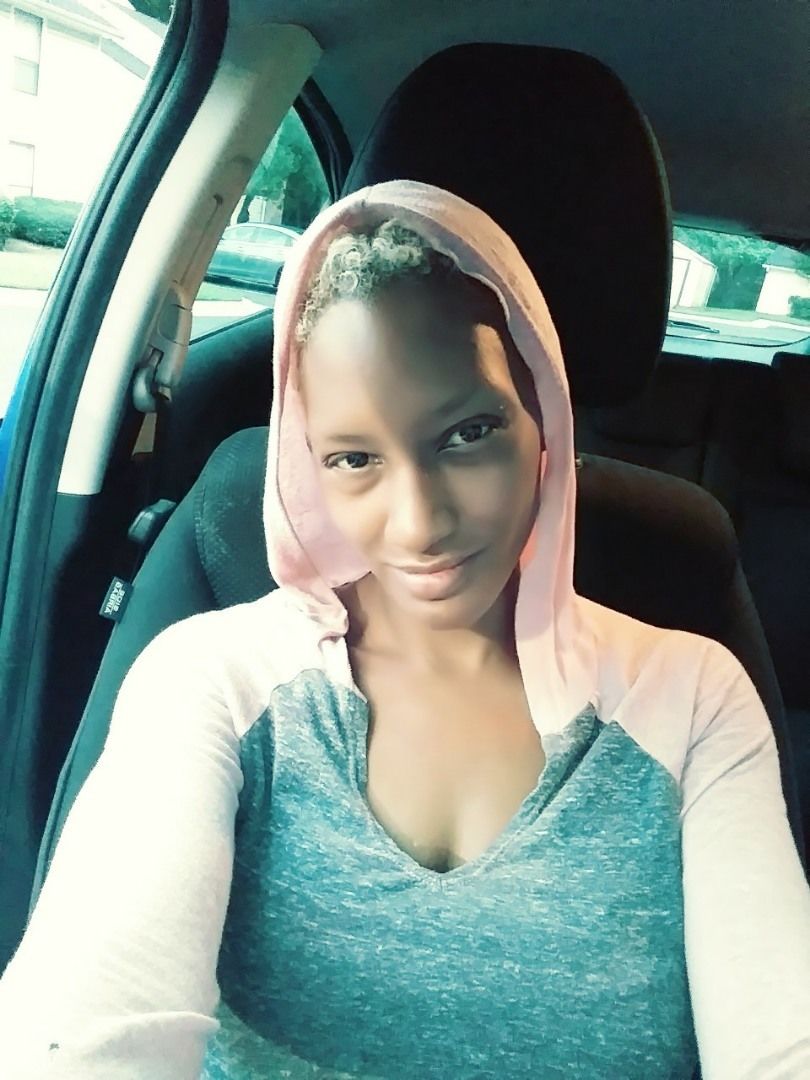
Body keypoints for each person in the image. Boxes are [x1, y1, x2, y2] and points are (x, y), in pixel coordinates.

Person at [0, 180, 809, 1079]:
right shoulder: (211, 682)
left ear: (544, 420)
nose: (419, 524)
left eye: (468, 434)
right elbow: (82, 1034)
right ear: (307, 463)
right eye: (354, 458)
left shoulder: (692, 700)